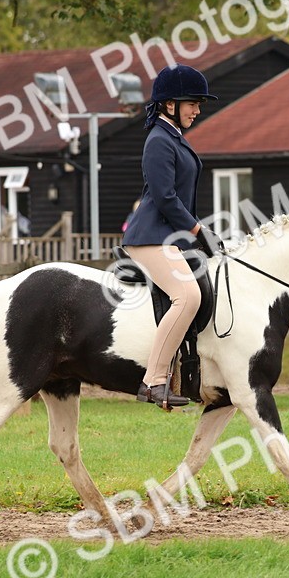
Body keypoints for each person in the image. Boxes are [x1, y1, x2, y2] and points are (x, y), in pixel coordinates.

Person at [121, 65, 223, 410]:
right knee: (187, 296)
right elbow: (165, 198)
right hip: (150, 236)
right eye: (192, 103)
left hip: (170, 236)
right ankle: (154, 380)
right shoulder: (159, 141)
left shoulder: (174, 138)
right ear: (169, 105)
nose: (197, 109)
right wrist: (198, 230)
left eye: (198, 104)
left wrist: (197, 231)